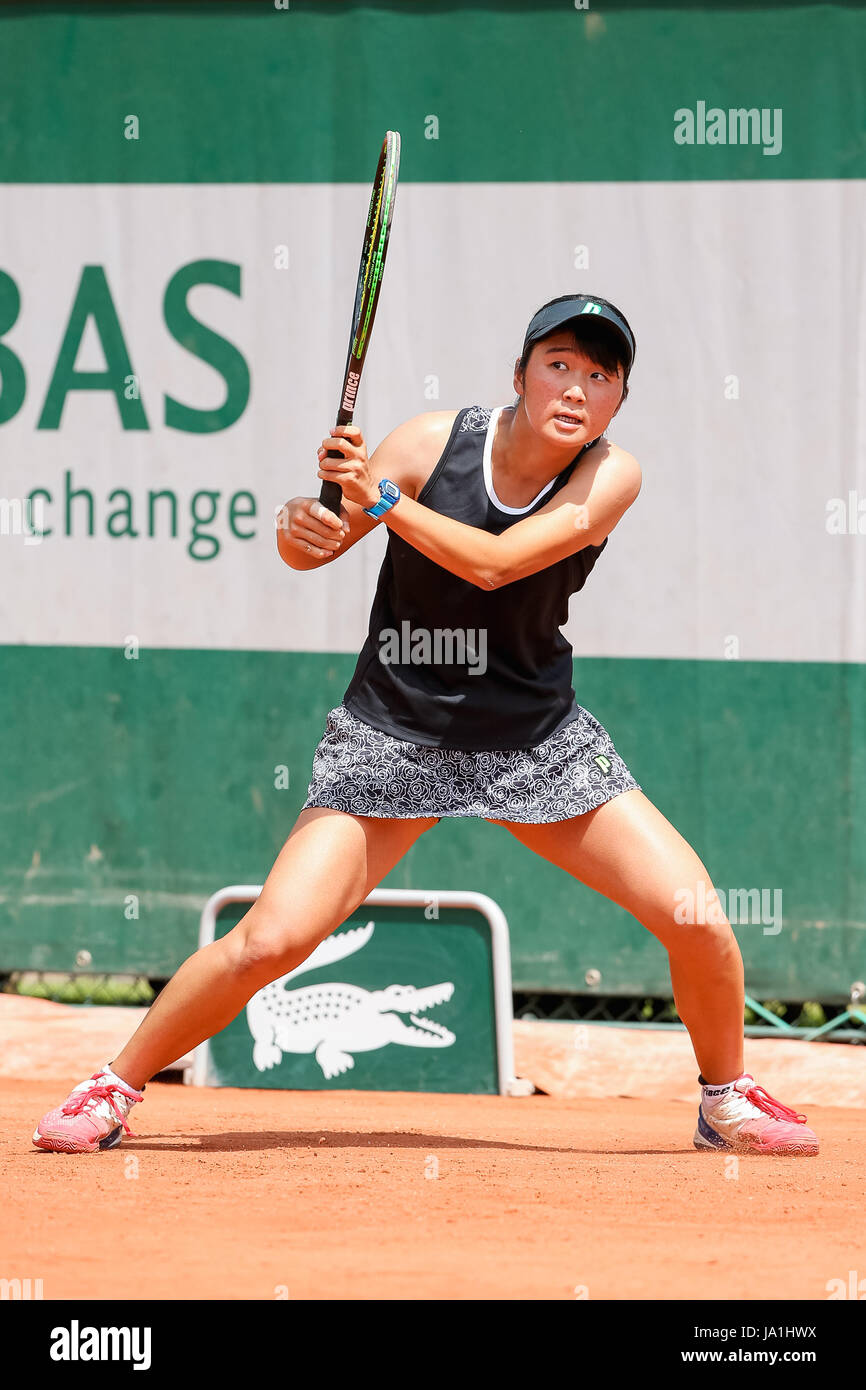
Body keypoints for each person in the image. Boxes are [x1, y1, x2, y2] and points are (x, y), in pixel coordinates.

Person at [32, 293, 817, 1156]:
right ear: (517, 374)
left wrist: (383, 500)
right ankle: (112, 1088)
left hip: (535, 740)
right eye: (558, 364)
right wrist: (311, 526)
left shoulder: (610, 474)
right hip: (392, 733)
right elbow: (318, 543)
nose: (576, 388)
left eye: (601, 376)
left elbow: (497, 565)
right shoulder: (426, 443)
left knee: (697, 914)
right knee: (269, 941)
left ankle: (724, 1097)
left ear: (617, 404)